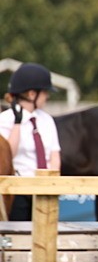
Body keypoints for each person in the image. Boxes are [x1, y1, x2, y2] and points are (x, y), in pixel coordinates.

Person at [0, 63, 62, 221]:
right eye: (45, 93)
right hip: (18, 189)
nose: (47, 96)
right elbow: (8, 156)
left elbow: (54, 155)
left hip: (44, 188)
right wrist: (17, 124)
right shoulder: (5, 120)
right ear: (32, 94)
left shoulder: (47, 120)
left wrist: (51, 182)